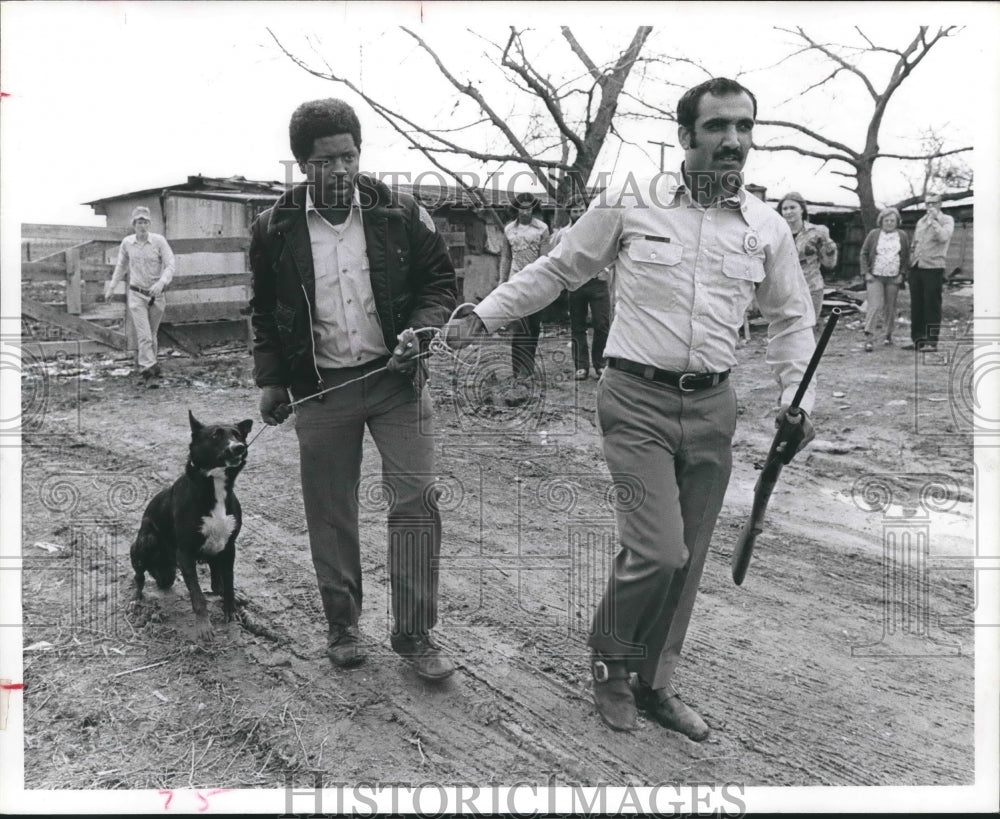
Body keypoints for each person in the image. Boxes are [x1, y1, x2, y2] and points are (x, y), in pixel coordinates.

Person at [445, 78, 816, 739]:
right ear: (685, 135)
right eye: (717, 126)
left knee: (688, 557)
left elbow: (791, 318)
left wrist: (796, 396)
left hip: (714, 404)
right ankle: (609, 665)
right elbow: (560, 269)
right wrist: (487, 315)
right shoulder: (630, 201)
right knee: (658, 549)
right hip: (635, 398)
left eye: (744, 126)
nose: (734, 140)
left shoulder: (767, 226)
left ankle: (655, 681)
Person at [248, 98, 458, 681]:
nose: (341, 170)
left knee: (417, 500)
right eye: (325, 161)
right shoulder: (273, 228)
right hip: (319, 389)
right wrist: (272, 380)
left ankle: (414, 632)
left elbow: (439, 283)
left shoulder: (400, 212)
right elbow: (263, 310)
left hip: (397, 381)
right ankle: (342, 624)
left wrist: (422, 331)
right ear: (301, 165)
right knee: (330, 509)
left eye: (349, 155)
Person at [104, 206, 175, 386]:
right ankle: (148, 371)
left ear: (149, 224)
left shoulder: (159, 241)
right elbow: (121, 266)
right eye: (138, 222)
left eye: (145, 222)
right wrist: (112, 287)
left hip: (156, 295)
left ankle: (153, 365)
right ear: (134, 224)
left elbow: (170, 264)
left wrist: (161, 283)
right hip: (136, 294)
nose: (142, 226)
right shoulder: (127, 243)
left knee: (152, 334)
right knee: (144, 335)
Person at [548, 198, 611, 381]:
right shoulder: (563, 234)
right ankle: (581, 366)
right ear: (569, 213)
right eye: (575, 211)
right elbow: (556, 256)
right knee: (578, 325)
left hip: (597, 282)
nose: (579, 214)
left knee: (602, 323)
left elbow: (610, 250)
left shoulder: (598, 230)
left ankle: (600, 364)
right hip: (576, 283)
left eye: (582, 210)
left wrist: (606, 270)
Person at [500, 193, 550, 379]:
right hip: (515, 282)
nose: (525, 212)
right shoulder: (509, 230)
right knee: (519, 326)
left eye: (529, 208)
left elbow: (544, 258)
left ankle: (528, 368)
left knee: (533, 326)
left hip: (535, 281)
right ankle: (517, 369)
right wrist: (502, 281)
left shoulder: (542, 229)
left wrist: (543, 281)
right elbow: (506, 257)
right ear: (516, 209)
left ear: (533, 209)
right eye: (522, 208)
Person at [777, 191, 838, 325]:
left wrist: (829, 248)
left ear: (802, 209)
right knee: (787, 329)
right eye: (785, 208)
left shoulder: (817, 232)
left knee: (808, 328)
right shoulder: (777, 233)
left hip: (811, 288)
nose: (788, 212)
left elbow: (830, 263)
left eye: (792, 207)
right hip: (785, 290)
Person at [906, 193, 955, 351]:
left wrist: (934, 221)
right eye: (928, 203)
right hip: (917, 266)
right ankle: (918, 340)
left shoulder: (947, 220)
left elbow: (943, 237)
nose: (930, 206)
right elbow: (915, 243)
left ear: (940, 204)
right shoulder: (921, 221)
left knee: (932, 304)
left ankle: (931, 341)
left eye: (934, 203)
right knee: (917, 304)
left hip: (934, 267)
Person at [859, 206, 910, 352]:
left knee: (890, 307)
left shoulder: (902, 235)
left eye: (892, 220)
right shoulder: (874, 234)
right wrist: (866, 272)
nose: (889, 223)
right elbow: (864, 253)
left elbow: (906, 257)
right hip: (875, 276)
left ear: (897, 222)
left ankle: (888, 335)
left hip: (893, 277)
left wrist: (902, 274)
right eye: (886, 220)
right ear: (881, 221)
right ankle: (869, 337)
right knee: (874, 305)